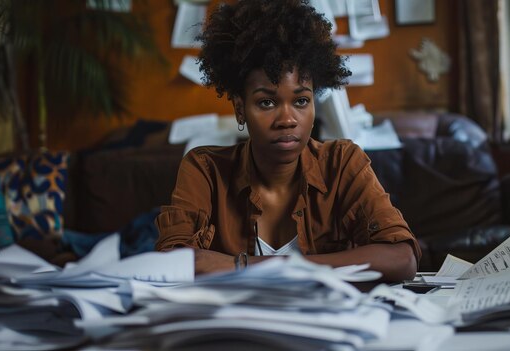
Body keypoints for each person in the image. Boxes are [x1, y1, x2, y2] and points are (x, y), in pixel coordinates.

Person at [155, 0, 420, 282]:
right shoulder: (205, 169)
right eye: (267, 102)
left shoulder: (343, 163)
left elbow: (402, 259)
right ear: (240, 108)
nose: (288, 119)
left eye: (301, 100)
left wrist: (245, 266)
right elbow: (173, 263)